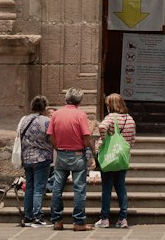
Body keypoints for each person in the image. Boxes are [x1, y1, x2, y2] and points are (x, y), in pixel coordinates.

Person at [49, 88, 98, 233]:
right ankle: (78, 221)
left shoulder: (56, 114)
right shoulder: (80, 115)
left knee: (57, 188)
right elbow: (86, 137)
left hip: (61, 155)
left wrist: (57, 147)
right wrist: (92, 153)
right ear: (79, 100)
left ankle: (57, 220)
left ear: (66, 99)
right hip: (77, 155)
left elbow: (50, 135)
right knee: (79, 190)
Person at [95, 93, 137, 230]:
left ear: (110, 105)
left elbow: (102, 127)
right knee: (121, 187)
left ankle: (105, 218)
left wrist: (105, 139)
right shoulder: (130, 119)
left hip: (109, 157)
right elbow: (132, 140)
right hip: (122, 158)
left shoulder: (111, 117)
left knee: (106, 188)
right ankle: (123, 218)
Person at [17, 95, 52, 228]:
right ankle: (37, 217)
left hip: (26, 158)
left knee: (29, 187)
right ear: (44, 107)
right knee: (39, 188)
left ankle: (28, 216)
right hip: (41, 158)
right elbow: (51, 138)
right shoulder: (46, 121)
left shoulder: (24, 120)